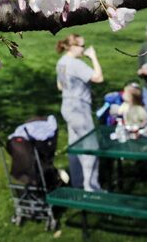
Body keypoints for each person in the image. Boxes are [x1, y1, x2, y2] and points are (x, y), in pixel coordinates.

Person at [56, 34, 103, 192]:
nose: (84, 49)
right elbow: (98, 77)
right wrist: (93, 57)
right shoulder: (75, 64)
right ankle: (91, 186)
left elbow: (60, 86)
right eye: (82, 46)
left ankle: (78, 183)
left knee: (75, 146)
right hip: (79, 110)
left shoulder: (62, 62)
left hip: (67, 107)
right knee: (91, 147)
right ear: (73, 46)